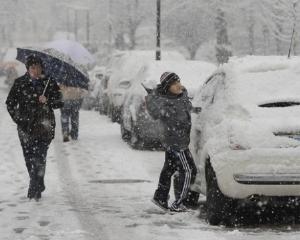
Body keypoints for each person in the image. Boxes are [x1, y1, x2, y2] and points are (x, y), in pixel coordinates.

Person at [6, 55, 63, 201]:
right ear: (27, 68)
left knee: (40, 156)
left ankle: (34, 185)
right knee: (29, 157)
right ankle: (37, 179)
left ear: (41, 67)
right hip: (25, 127)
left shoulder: (49, 82)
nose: (36, 70)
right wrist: (19, 119)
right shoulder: (20, 83)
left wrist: (48, 100)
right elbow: (10, 103)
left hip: (44, 125)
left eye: (38, 67)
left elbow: (59, 102)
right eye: (33, 67)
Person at [145, 72, 198, 212]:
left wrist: (197, 109)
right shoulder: (164, 102)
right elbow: (155, 112)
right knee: (188, 170)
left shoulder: (182, 96)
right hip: (176, 142)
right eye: (174, 84)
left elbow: (187, 108)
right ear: (167, 87)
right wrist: (152, 97)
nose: (178, 85)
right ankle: (179, 203)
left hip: (180, 141)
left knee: (168, 169)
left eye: (179, 81)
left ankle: (160, 198)